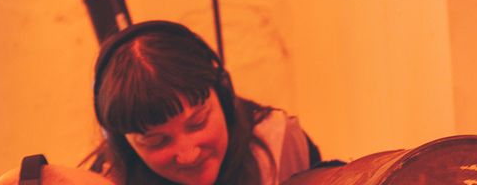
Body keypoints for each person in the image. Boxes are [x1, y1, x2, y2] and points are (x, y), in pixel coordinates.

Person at [84, 20, 320, 185]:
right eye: (156, 141)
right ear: (123, 144)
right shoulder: (105, 180)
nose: (188, 154)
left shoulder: (281, 144)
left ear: (223, 95)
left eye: (198, 122)